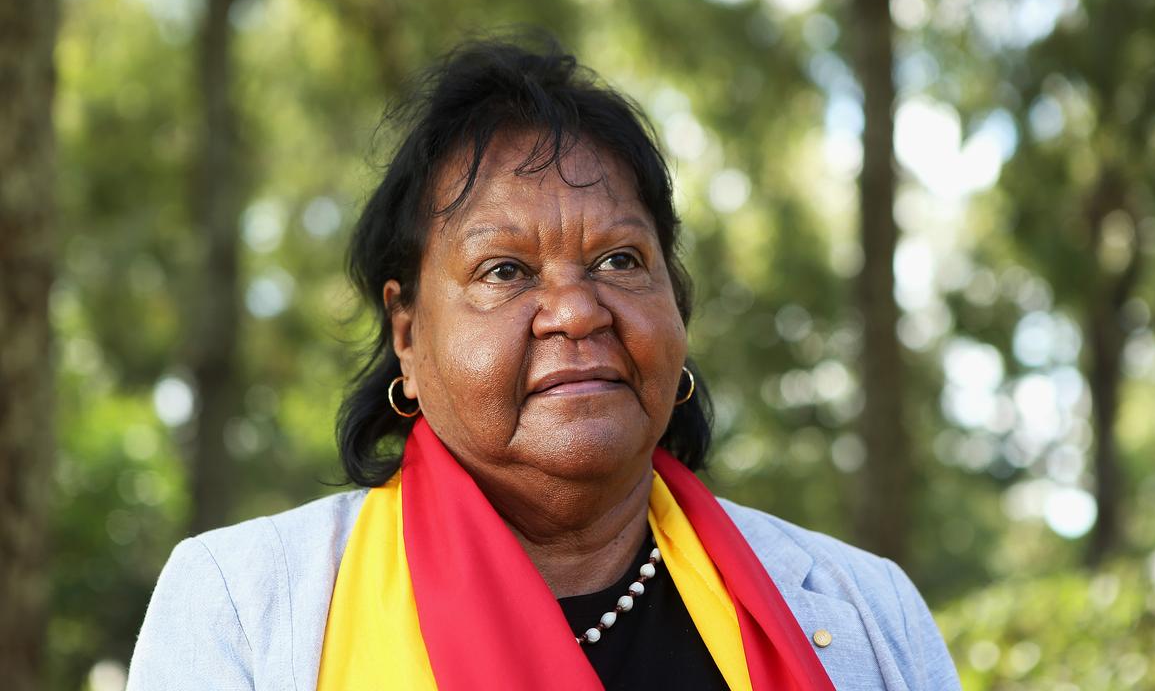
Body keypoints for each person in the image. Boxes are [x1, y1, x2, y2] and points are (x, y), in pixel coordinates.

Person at [125, 34, 960, 691]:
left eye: (620, 261)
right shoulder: (240, 607)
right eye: (505, 271)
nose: (576, 310)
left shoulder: (865, 610)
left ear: (678, 303)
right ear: (408, 337)